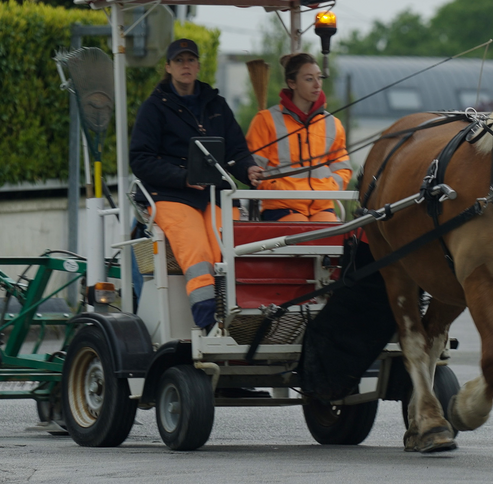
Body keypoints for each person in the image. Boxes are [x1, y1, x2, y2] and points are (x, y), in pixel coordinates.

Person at [130, 38, 263, 330]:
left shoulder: (217, 105)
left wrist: (250, 169)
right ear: (168, 67)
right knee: (198, 251)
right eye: (179, 61)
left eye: (190, 60)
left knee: (233, 246)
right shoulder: (154, 108)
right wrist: (184, 178)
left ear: (198, 65)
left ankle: (244, 321)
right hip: (170, 195)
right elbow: (140, 160)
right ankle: (209, 324)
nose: (185, 65)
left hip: (214, 195)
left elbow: (237, 152)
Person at [246, 53, 351, 222]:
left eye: (319, 78)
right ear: (292, 83)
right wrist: (276, 189)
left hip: (322, 206)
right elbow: (254, 169)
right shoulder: (265, 120)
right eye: (309, 79)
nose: (317, 85)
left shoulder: (333, 123)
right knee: (302, 235)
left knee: (335, 240)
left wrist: (329, 188)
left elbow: (343, 167)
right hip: (280, 206)